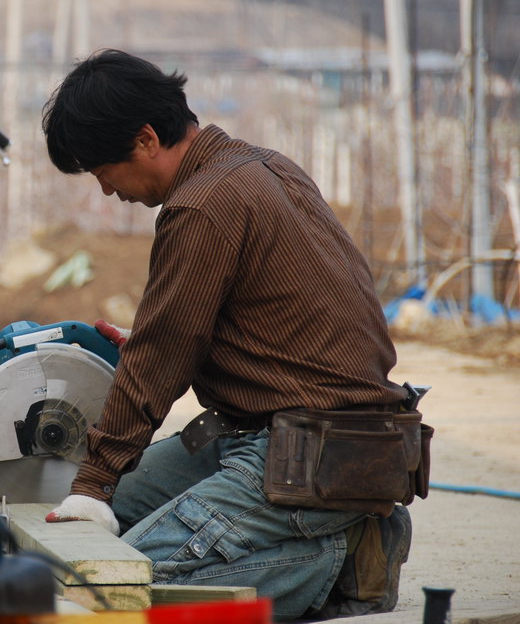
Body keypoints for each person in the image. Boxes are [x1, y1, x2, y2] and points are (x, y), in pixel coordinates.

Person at [39, 49, 418, 620]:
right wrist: (171, 347)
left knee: (104, 585)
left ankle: (338, 558)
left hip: (314, 453)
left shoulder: (202, 206)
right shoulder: (264, 167)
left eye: (102, 172)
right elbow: (257, 325)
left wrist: (93, 484)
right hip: (276, 435)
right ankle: (330, 530)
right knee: (67, 538)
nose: (108, 192)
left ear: (145, 139)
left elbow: (163, 355)